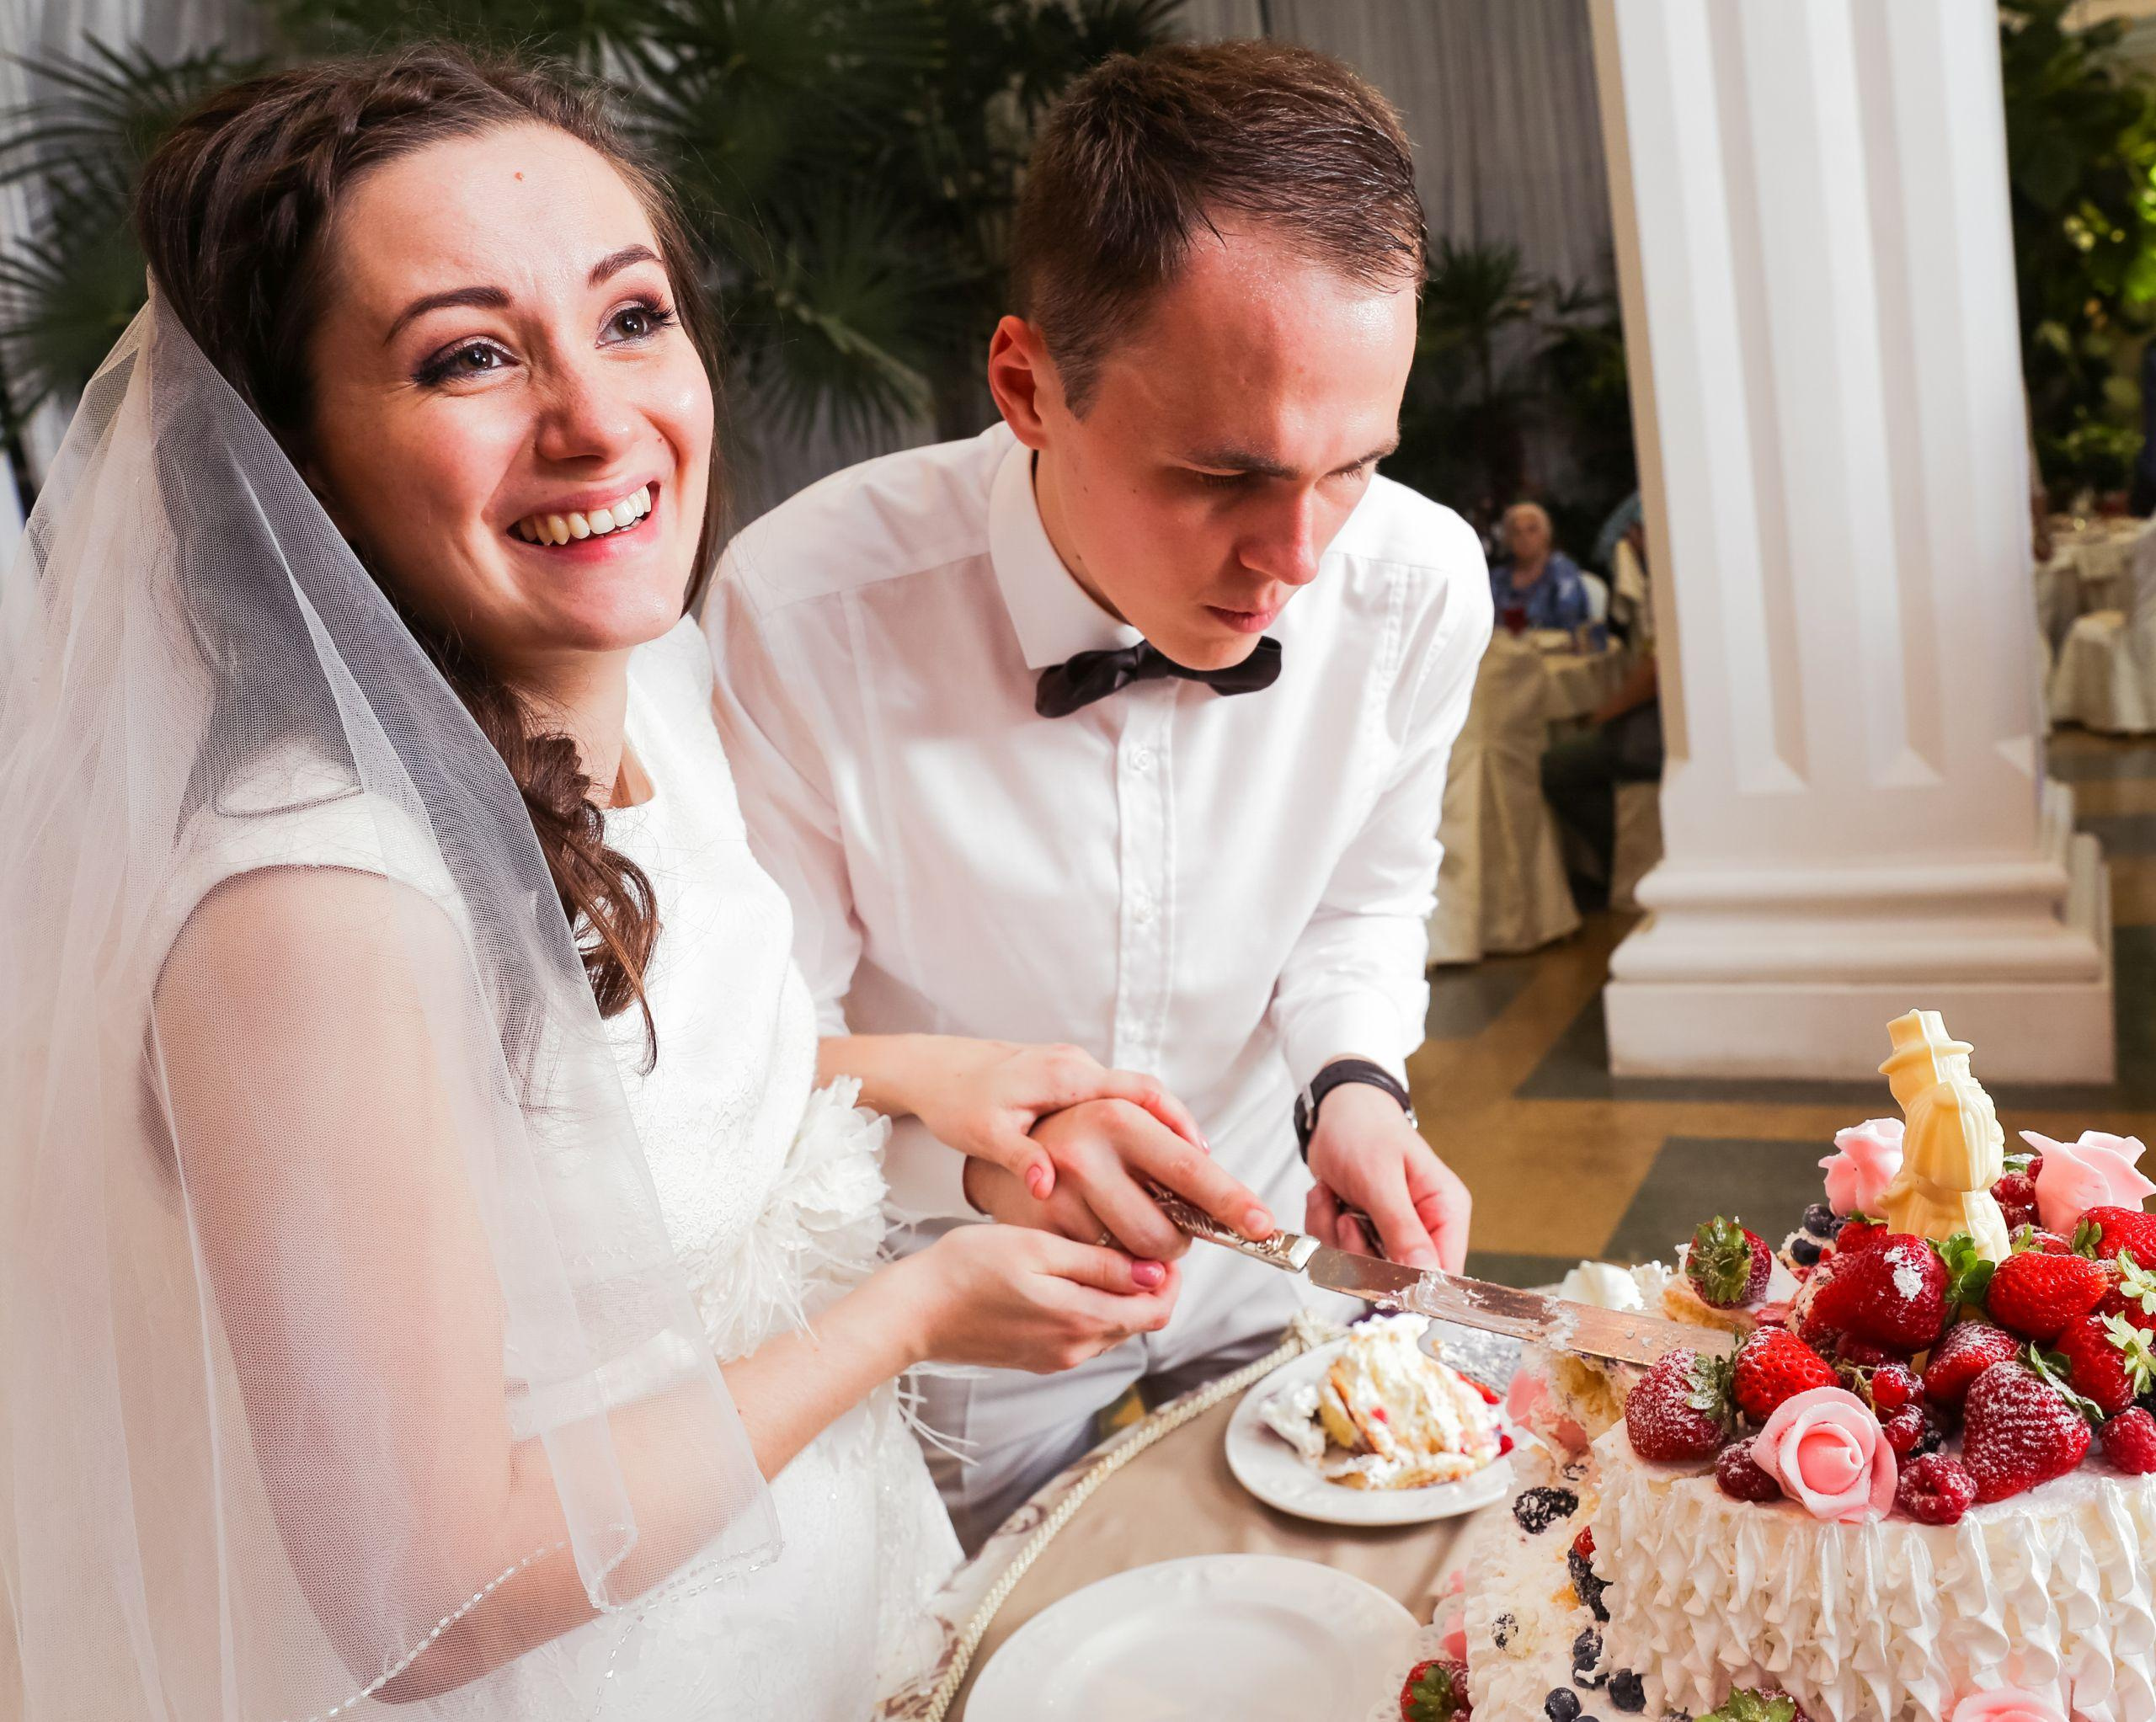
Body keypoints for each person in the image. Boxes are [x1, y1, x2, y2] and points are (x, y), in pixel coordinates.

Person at [0, 47, 1287, 1720]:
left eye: (628, 317)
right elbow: (424, 1583)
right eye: (468, 354)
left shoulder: (647, 672)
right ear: (296, 452)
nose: (598, 419)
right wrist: (910, 1309)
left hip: (817, 1626)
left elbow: (563, 1108)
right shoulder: (313, 903)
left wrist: (926, 1074)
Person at [707, 40, 1491, 1550]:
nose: (1303, 559)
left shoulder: (1419, 581)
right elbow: (762, 1061)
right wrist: (990, 1175)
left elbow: (1362, 900)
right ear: (1028, 384)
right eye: (1223, 474)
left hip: (1276, 1266)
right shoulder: (802, 611)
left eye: (1353, 469)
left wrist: (1356, 1092)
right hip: (956, 1318)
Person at [1540, 494, 1662, 910]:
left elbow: (1656, 670)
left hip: (1666, 732)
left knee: (1558, 766)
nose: (1628, 541)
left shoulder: (1669, 582)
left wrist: (1602, 714)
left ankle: (1617, 862)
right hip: (1663, 718)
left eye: (1637, 532)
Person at [1489, 499, 1590, 632]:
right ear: (1508, 539)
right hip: (1504, 649)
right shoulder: (1498, 577)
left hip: (1553, 649)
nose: (1524, 537)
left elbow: (1570, 621)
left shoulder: (1563, 571)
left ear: (1546, 534)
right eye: (1516, 532)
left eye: (1532, 530)